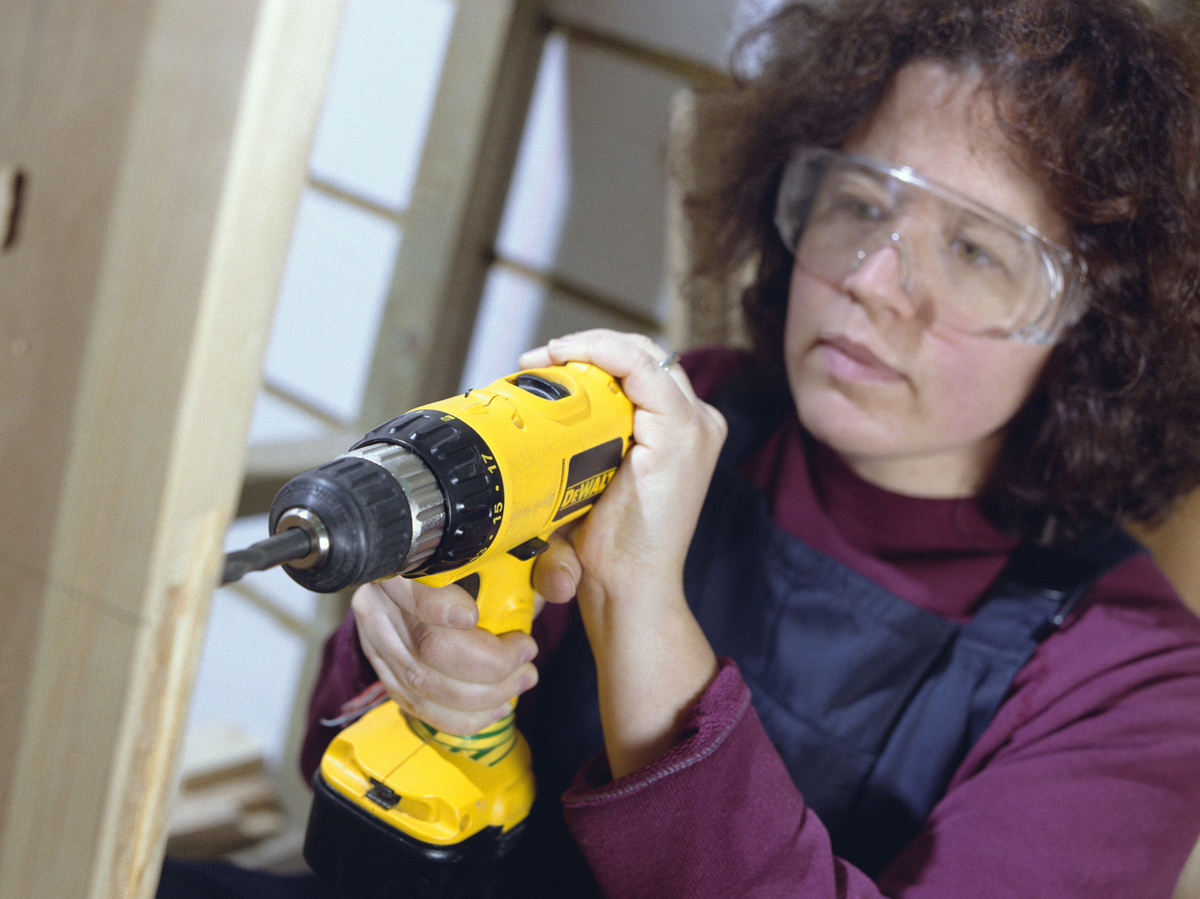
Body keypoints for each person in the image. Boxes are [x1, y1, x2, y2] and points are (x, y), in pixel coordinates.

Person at [298, 0, 1200, 896]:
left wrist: (642, 615)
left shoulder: (1136, 684)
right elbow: (336, 765)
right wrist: (409, 663)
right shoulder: (678, 416)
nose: (870, 279)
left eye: (974, 250)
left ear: (1098, 328)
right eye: (860, 202)